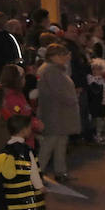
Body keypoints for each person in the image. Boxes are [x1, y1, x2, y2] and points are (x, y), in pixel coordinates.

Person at [34, 43, 79, 183]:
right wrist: (72, 100)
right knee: (49, 144)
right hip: (55, 113)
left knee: (60, 143)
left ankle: (61, 172)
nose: (66, 57)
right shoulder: (51, 70)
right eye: (63, 55)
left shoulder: (52, 69)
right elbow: (59, 92)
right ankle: (36, 175)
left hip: (57, 112)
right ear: (55, 56)